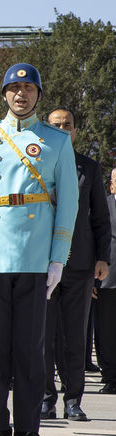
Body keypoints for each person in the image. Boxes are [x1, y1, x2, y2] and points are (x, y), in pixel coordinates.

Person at [0, 63, 78, 436]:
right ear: (4, 95)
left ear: (38, 95)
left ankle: (28, 428)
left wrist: (58, 257)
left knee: (30, 348)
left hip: (34, 255)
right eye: (13, 88)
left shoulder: (56, 142)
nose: (20, 95)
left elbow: (69, 206)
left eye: (28, 89)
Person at [41, 108, 110, 421]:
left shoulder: (89, 168)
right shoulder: (37, 163)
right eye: (56, 125)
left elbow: (100, 216)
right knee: (43, 334)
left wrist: (103, 257)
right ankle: (45, 398)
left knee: (74, 335)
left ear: (75, 130)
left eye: (67, 125)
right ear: (47, 129)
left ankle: (73, 400)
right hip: (41, 262)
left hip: (80, 264)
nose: (63, 129)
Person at [95, 168, 116, 395]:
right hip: (108, 278)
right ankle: (110, 376)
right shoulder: (104, 206)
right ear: (111, 185)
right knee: (107, 332)